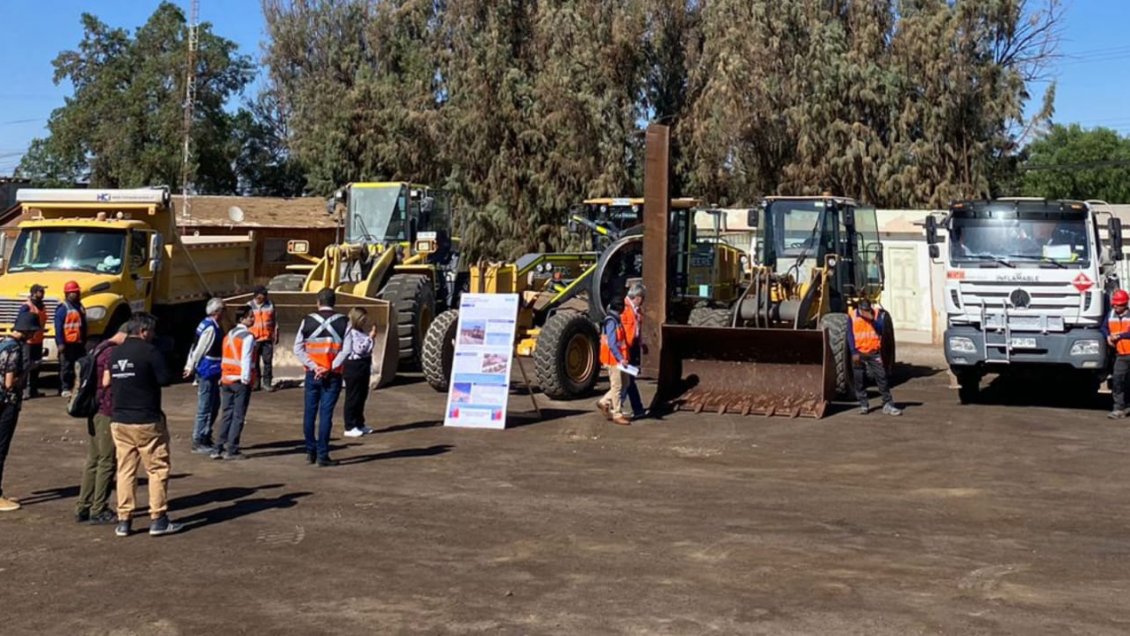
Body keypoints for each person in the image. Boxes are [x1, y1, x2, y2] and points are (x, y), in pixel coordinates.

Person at [109, 312, 181, 537]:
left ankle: (124, 520)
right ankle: (158, 518)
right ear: (143, 331)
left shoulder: (115, 352)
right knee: (157, 469)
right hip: (146, 419)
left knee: (125, 471)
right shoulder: (150, 351)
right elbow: (164, 378)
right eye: (151, 331)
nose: (153, 335)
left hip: (119, 419)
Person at [75, 323, 127, 525]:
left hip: (93, 408)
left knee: (93, 459)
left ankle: (83, 505)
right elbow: (106, 380)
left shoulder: (100, 346)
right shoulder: (114, 351)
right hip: (106, 409)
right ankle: (98, 508)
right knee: (107, 460)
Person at [294, 288, 350, 466]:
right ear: (334, 302)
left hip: (313, 374)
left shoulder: (307, 320)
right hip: (332, 375)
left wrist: (315, 367)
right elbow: (346, 350)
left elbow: (298, 348)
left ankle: (310, 451)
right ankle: (323, 455)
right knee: (326, 415)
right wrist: (329, 367)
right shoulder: (344, 322)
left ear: (318, 301)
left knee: (309, 413)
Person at [0, 312, 39, 512]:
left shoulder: (2, 343)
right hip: (7, 404)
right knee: (1, 448)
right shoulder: (15, 349)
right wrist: (25, 372)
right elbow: (9, 382)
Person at [212, 306, 257, 460]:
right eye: (250, 316)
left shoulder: (229, 335)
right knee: (238, 416)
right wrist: (246, 379)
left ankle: (218, 447)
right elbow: (246, 358)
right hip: (239, 380)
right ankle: (232, 449)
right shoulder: (247, 337)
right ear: (242, 319)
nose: (253, 319)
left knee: (226, 414)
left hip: (226, 379)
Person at [184, 298, 225, 453]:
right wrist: (191, 366)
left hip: (212, 371)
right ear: (217, 312)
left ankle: (205, 435)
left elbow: (194, 346)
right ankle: (199, 439)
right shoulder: (209, 328)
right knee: (205, 406)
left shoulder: (206, 324)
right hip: (208, 370)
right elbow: (199, 348)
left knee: (213, 405)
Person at [848, 299, 902, 416]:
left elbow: (881, 331)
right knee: (859, 379)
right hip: (859, 352)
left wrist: (872, 320)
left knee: (882, 377)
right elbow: (850, 335)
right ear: (859, 309)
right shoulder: (852, 316)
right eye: (864, 310)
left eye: (868, 310)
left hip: (873, 352)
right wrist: (853, 351)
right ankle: (863, 404)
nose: (866, 312)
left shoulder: (877, 315)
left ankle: (887, 403)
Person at [596, 296, 633, 426]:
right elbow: (612, 343)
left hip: (619, 359)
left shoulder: (615, 319)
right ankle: (617, 414)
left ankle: (604, 402)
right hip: (614, 360)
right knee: (617, 386)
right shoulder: (611, 321)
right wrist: (621, 358)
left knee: (625, 383)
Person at [342, 307, 378, 438]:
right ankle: (350, 425)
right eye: (363, 319)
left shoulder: (359, 331)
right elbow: (360, 349)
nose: (365, 321)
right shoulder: (350, 332)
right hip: (354, 366)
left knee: (362, 395)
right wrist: (370, 338)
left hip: (363, 365)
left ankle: (359, 423)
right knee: (353, 396)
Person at [55, 280, 88, 398]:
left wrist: (84, 340)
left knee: (79, 365)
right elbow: (58, 327)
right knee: (66, 366)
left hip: (78, 342)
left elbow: (83, 325)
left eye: (77, 292)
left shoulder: (79, 306)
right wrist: (60, 343)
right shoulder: (63, 308)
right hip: (67, 343)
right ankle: (64, 388)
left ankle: (75, 386)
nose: (77, 294)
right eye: (74, 292)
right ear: (68, 294)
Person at [620, 283, 647, 419]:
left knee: (628, 379)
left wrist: (641, 342)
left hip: (633, 346)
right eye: (643, 298)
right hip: (625, 348)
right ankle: (632, 407)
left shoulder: (637, 310)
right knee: (627, 379)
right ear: (637, 297)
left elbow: (636, 328)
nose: (643, 301)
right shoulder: (624, 308)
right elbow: (621, 330)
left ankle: (620, 406)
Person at [16, 284, 47, 399]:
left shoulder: (42, 306)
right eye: (40, 291)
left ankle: (33, 389)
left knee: (37, 366)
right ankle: (23, 390)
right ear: (33, 293)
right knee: (26, 365)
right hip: (28, 342)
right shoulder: (26, 306)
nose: (42, 294)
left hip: (38, 340)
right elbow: (20, 322)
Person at [1103, 289, 1130, 419]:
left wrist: (1119, 336)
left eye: (1118, 305)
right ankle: (1119, 408)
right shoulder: (1111, 315)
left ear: (1125, 304)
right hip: (1121, 354)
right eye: (1114, 304)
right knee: (1118, 380)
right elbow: (1104, 327)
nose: (1115, 306)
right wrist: (1108, 336)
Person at [248, 286, 278, 392]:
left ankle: (267, 383)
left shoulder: (270, 305)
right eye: (262, 294)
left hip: (267, 338)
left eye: (265, 294)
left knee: (267, 362)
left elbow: (274, 320)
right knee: (254, 362)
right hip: (254, 338)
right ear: (256, 295)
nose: (264, 296)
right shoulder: (249, 306)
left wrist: (275, 333)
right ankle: (255, 383)